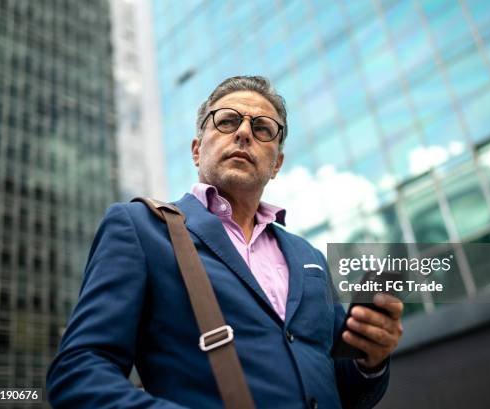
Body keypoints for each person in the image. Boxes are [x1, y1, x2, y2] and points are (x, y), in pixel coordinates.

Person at [46, 75, 404, 409]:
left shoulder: (308, 256)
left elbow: (342, 389)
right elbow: (79, 373)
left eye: (262, 128)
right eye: (228, 121)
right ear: (197, 149)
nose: (244, 133)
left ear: (277, 163)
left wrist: (369, 360)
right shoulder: (140, 227)